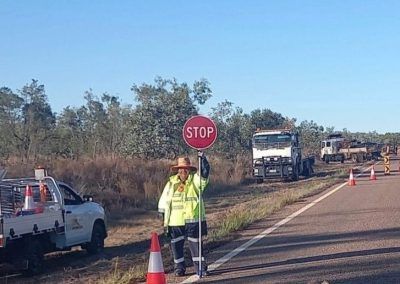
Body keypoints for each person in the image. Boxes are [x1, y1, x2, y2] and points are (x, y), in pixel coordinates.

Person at [158, 152, 210, 277]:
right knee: (176, 247)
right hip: (175, 221)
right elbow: (165, 199)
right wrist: (162, 213)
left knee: (196, 246)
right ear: (178, 170)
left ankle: (201, 269)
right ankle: (179, 268)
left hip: (192, 220)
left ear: (189, 170)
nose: (183, 171)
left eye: (186, 169)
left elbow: (203, 177)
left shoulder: (195, 181)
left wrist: (203, 162)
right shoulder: (171, 183)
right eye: (181, 169)